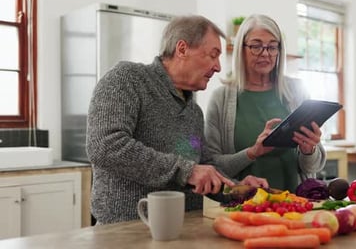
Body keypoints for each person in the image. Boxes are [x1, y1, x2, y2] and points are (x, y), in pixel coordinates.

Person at [86, 15, 268, 225]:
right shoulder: (127, 79)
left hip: (185, 232)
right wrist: (187, 171)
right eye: (213, 55)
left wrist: (238, 189)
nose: (218, 67)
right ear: (182, 49)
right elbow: (105, 146)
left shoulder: (194, 112)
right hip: (125, 232)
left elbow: (204, 166)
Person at [205, 14, 326, 192]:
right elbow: (213, 165)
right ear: (241, 49)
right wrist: (252, 153)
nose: (265, 54)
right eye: (256, 46)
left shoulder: (297, 91)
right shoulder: (221, 98)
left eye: (272, 47)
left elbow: (313, 167)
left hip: (295, 204)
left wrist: (309, 150)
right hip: (244, 206)